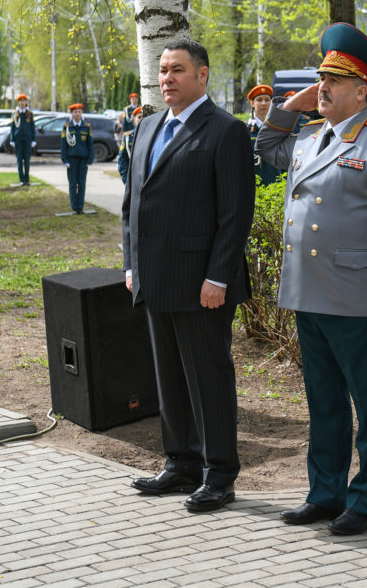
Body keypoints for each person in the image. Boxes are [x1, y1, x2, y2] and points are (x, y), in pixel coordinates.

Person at [255, 22, 367, 536]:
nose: (323, 87)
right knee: (323, 402)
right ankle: (324, 493)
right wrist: (293, 104)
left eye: (334, 80)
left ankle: (364, 501)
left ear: (361, 91)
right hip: (309, 292)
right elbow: (266, 148)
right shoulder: (308, 139)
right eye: (320, 79)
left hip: (357, 299)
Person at [123, 38, 255, 513]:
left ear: (202, 75)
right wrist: (131, 264)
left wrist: (218, 277)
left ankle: (218, 473)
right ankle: (180, 462)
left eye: (177, 69)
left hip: (202, 285)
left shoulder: (225, 131)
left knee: (208, 379)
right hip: (155, 279)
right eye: (162, 70)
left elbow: (235, 213)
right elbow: (132, 205)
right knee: (170, 378)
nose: (167, 79)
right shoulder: (148, 126)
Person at [59, 103, 94, 215]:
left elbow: (90, 144)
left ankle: (80, 207)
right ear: (72, 114)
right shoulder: (67, 127)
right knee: (73, 184)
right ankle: (74, 206)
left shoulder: (86, 126)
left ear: (81, 113)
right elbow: (63, 144)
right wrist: (65, 159)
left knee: (82, 184)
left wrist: (90, 159)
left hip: (83, 160)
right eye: (75, 112)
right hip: (72, 159)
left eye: (79, 112)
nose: (77, 114)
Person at [246, 84, 281, 185]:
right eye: (259, 100)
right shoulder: (245, 129)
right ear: (252, 103)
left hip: (275, 185)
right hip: (252, 184)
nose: (263, 103)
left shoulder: (279, 128)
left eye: (267, 100)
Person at [10, 93, 35, 186]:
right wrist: (12, 139)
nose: (22, 103)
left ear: (26, 102)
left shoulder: (30, 113)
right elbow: (12, 127)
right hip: (18, 139)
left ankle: (27, 179)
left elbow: (32, 127)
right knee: (19, 160)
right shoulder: (15, 113)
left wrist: (33, 139)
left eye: (24, 101)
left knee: (27, 160)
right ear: (18, 102)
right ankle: (21, 179)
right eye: (20, 101)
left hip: (27, 139)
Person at [116, 106, 142, 184]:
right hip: (133, 179)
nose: (141, 119)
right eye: (139, 117)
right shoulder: (128, 137)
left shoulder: (153, 135)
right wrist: (126, 180)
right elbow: (122, 159)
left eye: (144, 117)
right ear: (134, 119)